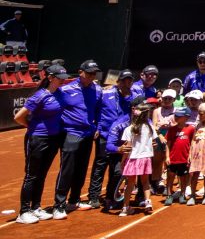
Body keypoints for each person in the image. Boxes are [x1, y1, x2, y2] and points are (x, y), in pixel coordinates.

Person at [14, 64, 68, 224]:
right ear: (50, 78)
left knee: (42, 173)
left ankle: (36, 207)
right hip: (37, 139)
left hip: (53, 138)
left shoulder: (59, 93)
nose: (63, 81)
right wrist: (31, 127)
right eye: (59, 78)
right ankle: (24, 212)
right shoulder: (40, 95)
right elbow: (18, 117)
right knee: (32, 175)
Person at [52, 59, 102, 219]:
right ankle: (59, 205)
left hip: (88, 134)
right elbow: (54, 107)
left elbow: (99, 110)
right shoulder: (65, 90)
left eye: (94, 74)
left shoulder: (97, 90)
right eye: (89, 73)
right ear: (81, 72)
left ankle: (74, 200)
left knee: (81, 168)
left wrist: (97, 127)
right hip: (71, 133)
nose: (92, 76)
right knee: (67, 169)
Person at [87, 69, 134, 209]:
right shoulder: (105, 93)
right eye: (124, 81)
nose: (126, 84)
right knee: (100, 165)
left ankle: (110, 196)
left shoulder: (133, 96)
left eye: (129, 81)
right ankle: (94, 196)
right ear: (118, 82)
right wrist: (96, 126)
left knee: (116, 168)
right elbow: (95, 109)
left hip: (121, 137)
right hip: (104, 134)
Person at [117, 98, 156, 216]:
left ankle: (125, 207)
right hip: (145, 159)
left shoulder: (129, 129)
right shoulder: (150, 128)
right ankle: (148, 202)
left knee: (130, 184)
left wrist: (123, 161)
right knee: (145, 182)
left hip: (133, 159)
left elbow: (127, 148)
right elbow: (153, 142)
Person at [163, 106, 194, 206]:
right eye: (175, 116)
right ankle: (169, 195)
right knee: (170, 177)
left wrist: (190, 155)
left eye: (179, 116)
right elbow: (168, 144)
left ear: (186, 117)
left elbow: (192, 143)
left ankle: (182, 194)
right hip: (173, 158)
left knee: (183, 177)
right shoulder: (172, 129)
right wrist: (167, 157)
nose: (176, 117)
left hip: (184, 158)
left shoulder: (190, 129)